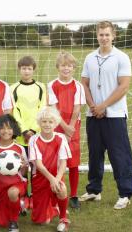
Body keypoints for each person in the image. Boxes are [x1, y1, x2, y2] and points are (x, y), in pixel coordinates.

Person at [80, 21, 132, 210]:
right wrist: (93, 106)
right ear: (97, 36)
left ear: (114, 36)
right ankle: (94, 190)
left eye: (107, 34)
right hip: (93, 114)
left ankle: (125, 193)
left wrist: (103, 106)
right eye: (101, 34)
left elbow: (124, 86)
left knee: (119, 155)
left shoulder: (121, 57)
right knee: (95, 154)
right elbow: (84, 84)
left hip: (115, 115)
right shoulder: (89, 58)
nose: (104, 38)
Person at [48, 51, 86, 210]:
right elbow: (53, 108)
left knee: (73, 163)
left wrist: (70, 129)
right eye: (63, 65)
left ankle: (74, 195)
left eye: (69, 66)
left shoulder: (78, 85)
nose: (66, 68)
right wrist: (64, 128)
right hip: (56, 126)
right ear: (58, 67)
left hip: (73, 127)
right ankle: (58, 191)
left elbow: (77, 107)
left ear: (74, 68)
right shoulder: (52, 85)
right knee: (57, 162)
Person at [10, 55, 46, 210]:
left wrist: (33, 129)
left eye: (29, 68)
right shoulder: (13, 88)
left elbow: (42, 108)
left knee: (36, 168)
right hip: (20, 136)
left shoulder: (41, 87)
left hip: (36, 135)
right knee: (22, 167)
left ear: (33, 70)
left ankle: (36, 197)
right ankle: (23, 196)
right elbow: (13, 111)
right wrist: (24, 130)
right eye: (23, 68)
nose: (26, 71)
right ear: (19, 70)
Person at [28, 106, 71, 232]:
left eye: (50, 121)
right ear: (39, 123)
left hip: (56, 175)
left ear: (56, 123)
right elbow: (39, 165)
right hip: (40, 177)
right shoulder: (34, 139)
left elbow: (64, 162)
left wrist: (56, 179)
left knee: (61, 188)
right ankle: (53, 209)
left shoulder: (60, 138)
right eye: (44, 121)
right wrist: (52, 179)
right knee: (41, 221)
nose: (47, 124)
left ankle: (63, 219)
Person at [0, 114, 28, 232]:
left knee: (13, 192)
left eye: (9, 128)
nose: (6, 131)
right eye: (2, 128)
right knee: (0, 223)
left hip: (18, 184)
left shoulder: (20, 149)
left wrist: (24, 166)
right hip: (1, 188)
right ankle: (19, 204)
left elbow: (24, 174)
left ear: (14, 129)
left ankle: (14, 222)